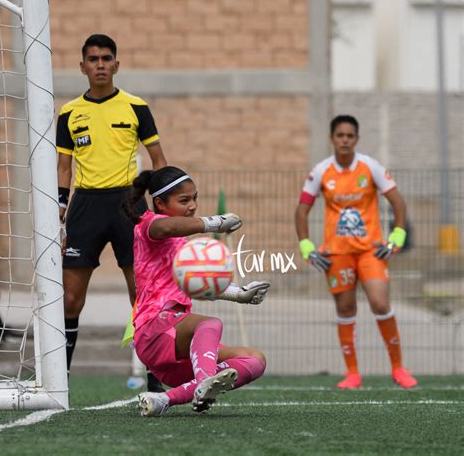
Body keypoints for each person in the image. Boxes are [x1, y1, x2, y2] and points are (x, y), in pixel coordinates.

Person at [56, 34, 167, 392]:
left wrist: (160, 208)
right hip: (85, 207)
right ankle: (61, 382)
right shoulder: (70, 113)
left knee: (143, 296)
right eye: (93, 59)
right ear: (83, 67)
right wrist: (58, 214)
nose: (100, 64)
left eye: (106, 58)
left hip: (129, 205)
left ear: (116, 65)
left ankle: (156, 382)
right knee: (70, 299)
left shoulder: (136, 107)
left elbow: (159, 161)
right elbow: (63, 169)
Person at [122, 166, 269, 416]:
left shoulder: (180, 242)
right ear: (159, 202)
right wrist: (214, 223)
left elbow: (198, 286)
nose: (192, 205)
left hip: (173, 348)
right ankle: (204, 382)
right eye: (184, 200)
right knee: (210, 324)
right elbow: (168, 228)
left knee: (254, 359)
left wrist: (238, 294)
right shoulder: (148, 226)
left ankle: (164, 399)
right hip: (153, 329)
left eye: (195, 198)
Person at [295, 115, 418, 389]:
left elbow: (398, 202)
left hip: (370, 252)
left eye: (350, 136)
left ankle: (398, 369)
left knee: (380, 303)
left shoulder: (370, 166)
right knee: (346, 308)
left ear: (356, 139)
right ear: (332, 138)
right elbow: (302, 210)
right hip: (337, 254)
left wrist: (396, 236)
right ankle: (353, 374)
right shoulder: (320, 171)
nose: (345, 140)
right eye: (340, 135)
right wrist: (306, 246)